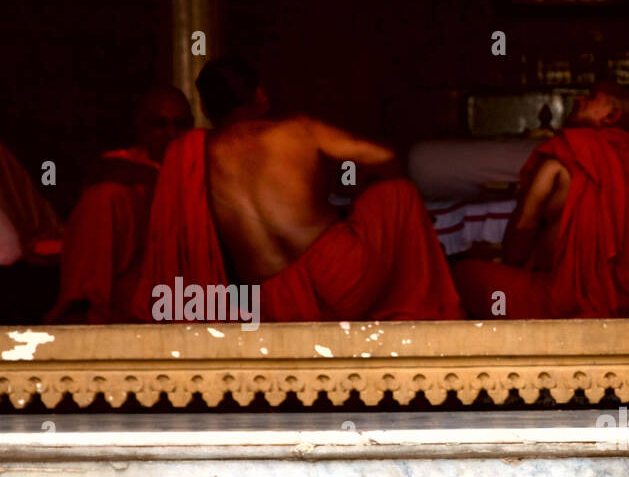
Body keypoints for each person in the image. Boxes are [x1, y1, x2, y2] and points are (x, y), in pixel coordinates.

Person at [134, 57, 461, 323]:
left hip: (272, 301)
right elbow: (386, 158)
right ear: (260, 96)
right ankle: (415, 311)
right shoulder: (299, 130)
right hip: (343, 281)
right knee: (398, 192)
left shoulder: (191, 153)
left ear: (204, 109)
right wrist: (361, 198)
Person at [452, 82, 629, 319]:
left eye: (592, 97)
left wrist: (514, 269)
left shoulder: (567, 154)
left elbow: (524, 226)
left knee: (456, 274)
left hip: (562, 303)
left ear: (612, 115)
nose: (578, 99)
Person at [50, 86, 193, 322]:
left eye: (179, 124)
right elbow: (100, 172)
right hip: (129, 286)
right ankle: (81, 306)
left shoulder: (201, 163)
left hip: (183, 292)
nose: (171, 133)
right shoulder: (122, 164)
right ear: (141, 128)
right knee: (106, 195)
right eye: (160, 124)